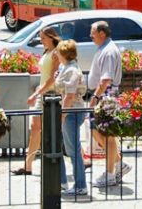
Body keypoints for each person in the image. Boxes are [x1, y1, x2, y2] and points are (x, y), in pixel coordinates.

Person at [12, 27, 61, 176]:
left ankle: (82, 158)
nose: (41, 40)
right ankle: (27, 165)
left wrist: (36, 93)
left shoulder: (56, 53)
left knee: (58, 130)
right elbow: (46, 75)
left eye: (43, 38)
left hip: (51, 94)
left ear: (51, 37)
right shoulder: (47, 51)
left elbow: (53, 78)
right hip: (44, 93)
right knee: (35, 128)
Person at [88, 21, 131, 187]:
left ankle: (110, 174)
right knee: (99, 133)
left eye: (92, 32)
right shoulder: (105, 49)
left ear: (102, 33)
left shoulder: (108, 51)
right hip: (104, 95)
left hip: (105, 96)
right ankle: (119, 165)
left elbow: (106, 79)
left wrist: (96, 97)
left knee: (106, 135)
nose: (90, 36)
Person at [55, 40, 89, 197]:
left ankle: (80, 185)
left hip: (71, 113)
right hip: (71, 112)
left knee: (72, 150)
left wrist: (62, 115)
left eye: (58, 52)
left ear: (63, 54)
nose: (55, 54)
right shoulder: (67, 68)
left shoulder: (71, 70)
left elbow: (69, 96)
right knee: (68, 148)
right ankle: (63, 181)